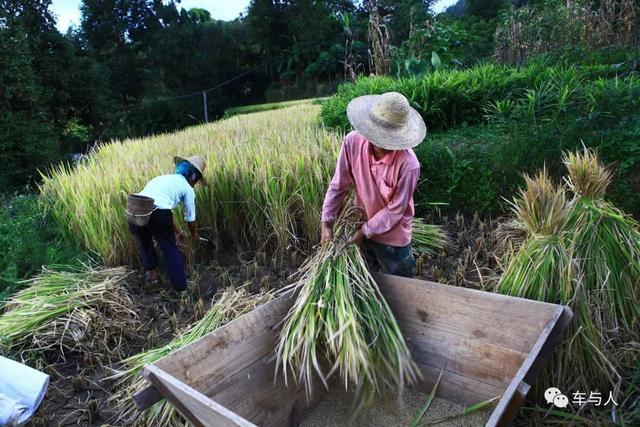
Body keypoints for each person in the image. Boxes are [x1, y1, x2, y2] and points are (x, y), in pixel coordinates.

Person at [321, 92, 426, 278]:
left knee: (399, 289)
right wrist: (326, 223)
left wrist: (365, 231)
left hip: (393, 240)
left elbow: (395, 210)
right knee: (369, 284)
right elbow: (339, 185)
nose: (382, 142)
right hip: (360, 227)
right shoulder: (352, 143)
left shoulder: (408, 165)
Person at [129, 155, 206, 291]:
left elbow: (163, 208)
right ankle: (180, 289)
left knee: (145, 242)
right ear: (194, 176)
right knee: (170, 249)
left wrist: (177, 232)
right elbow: (190, 217)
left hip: (134, 207)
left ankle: (152, 277)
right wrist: (194, 234)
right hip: (157, 212)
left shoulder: (162, 179)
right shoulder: (188, 189)